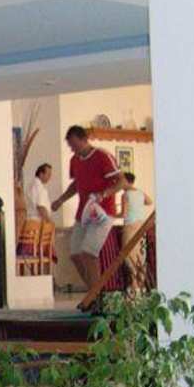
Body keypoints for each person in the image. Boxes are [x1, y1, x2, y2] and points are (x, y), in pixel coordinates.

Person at [51, 125, 124, 291]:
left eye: (74, 145)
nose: (73, 149)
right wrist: (61, 200)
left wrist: (104, 194)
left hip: (103, 213)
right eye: (70, 146)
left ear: (84, 139)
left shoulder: (103, 156)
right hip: (83, 214)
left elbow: (122, 181)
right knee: (75, 254)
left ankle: (96, 294)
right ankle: (93, 290)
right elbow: (76, 184)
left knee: (89, 253)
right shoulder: (74, 161)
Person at [119, 171, 154, 287]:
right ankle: (141, 283)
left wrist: (110, 215)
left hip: (130, 226)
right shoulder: (140, 193)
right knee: (140, 255)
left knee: (129, 254)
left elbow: (124, 214)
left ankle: (134, 284)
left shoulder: (125, 195)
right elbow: (149, 202)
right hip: (141, 226)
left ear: (125, 181)